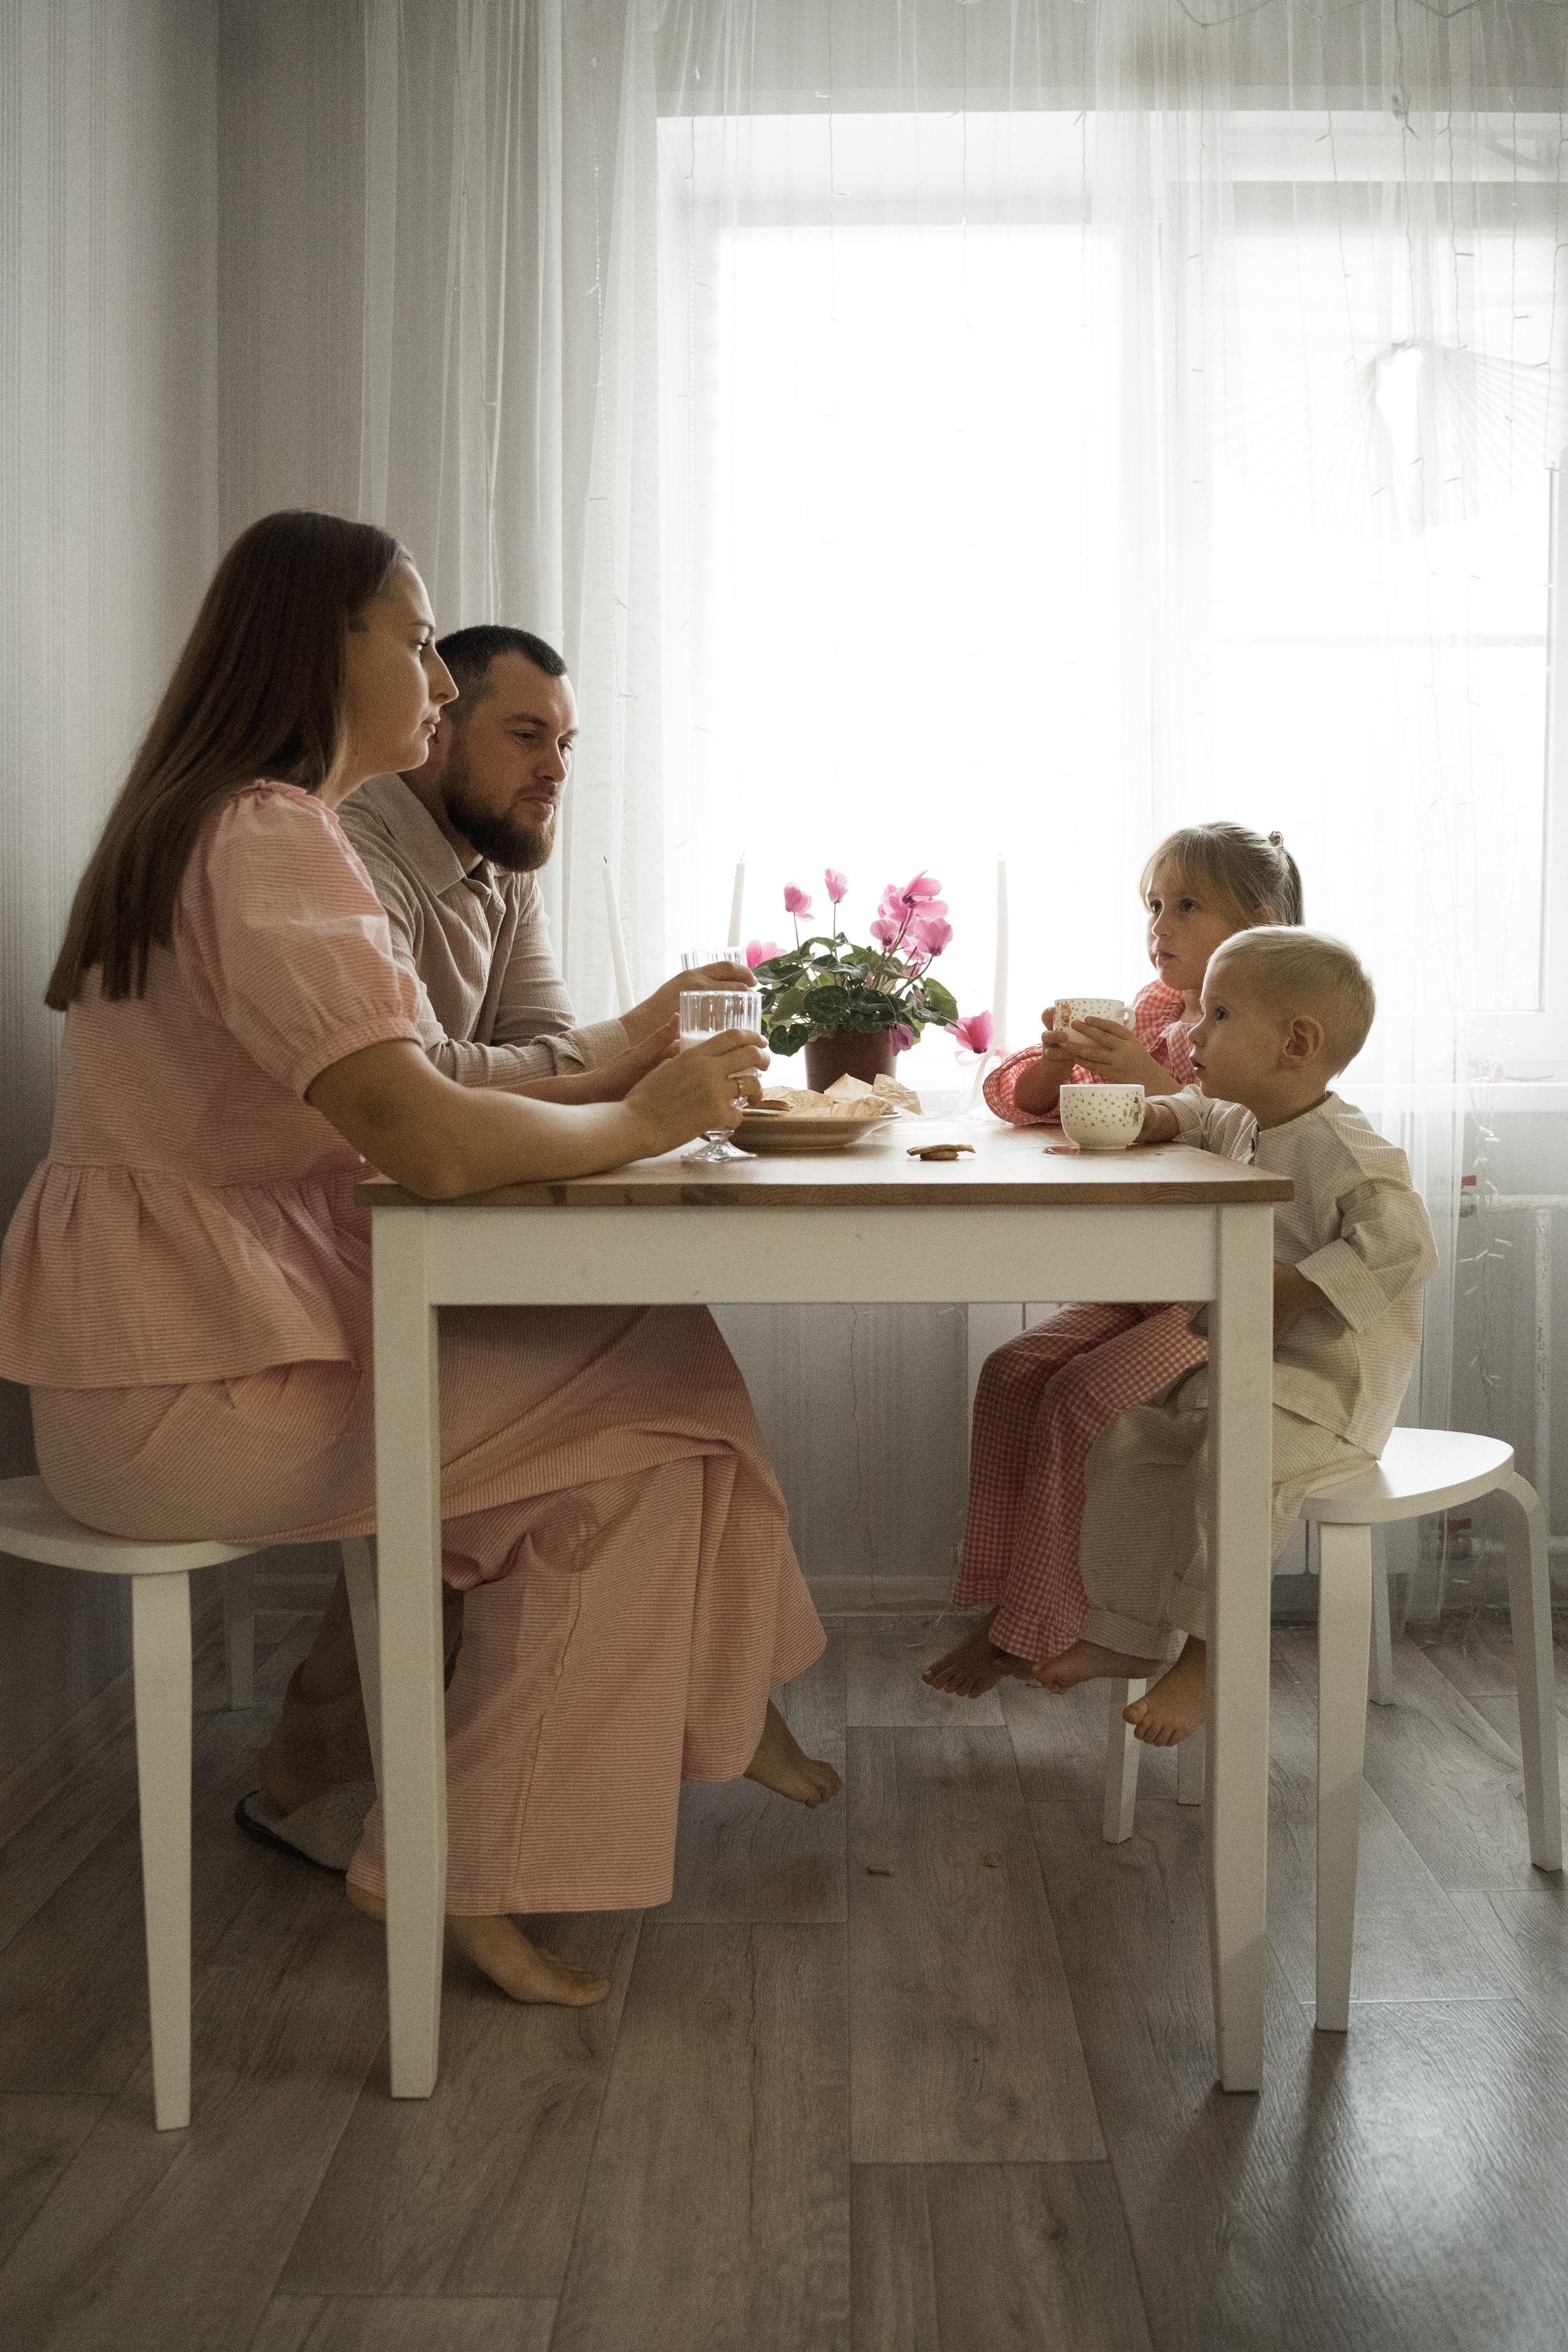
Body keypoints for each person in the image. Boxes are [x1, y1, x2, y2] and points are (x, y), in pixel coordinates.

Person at [0, 509, 839, 2011]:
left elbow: (432, 1102)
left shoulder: (226, 827)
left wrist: (628, 1089)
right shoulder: (268, 840)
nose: (434, 679)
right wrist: (643, 1112)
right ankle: (593, 1786)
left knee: (645, 1404)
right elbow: (435, 1145)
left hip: (175, 1363)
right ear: (322, 645)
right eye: (411, 636)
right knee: (655, 1408)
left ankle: (563, 1805)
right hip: (190, 1393)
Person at [258, 624, 755, 1826]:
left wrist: (622, 1067)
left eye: (567, 743)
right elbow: (424, 1087)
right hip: (335, 1233)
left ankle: (371, 1765)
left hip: (431, 1209)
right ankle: (470, 1789)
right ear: (435, 729)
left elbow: (540, 1058)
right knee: (636, 1387)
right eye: (526, 735)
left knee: (650, 1334)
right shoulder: (340, 856)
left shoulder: (505, 861)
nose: (555, 769)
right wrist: (631, 1058)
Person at [926, 822, 1304, 1696]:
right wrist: (1056, 1067)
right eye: (1152, 906)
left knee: (1079, 1397)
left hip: (1218, 1307)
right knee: (1015, 1370)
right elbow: (1015, 1099)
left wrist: (1141, 1075)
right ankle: (1006, 1601)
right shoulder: (1152, 1013)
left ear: (1257, 922)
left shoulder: (1268, 1031)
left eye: (1185, 905)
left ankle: (1043, 1628)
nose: (1159, 924)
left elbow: (1226, 1126)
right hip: (1146, 1289)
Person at [1036, 925, 1437, 1744]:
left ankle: (1212, 1656)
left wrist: (1298, 1289)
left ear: (1297, 1043)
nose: (1191, 1034)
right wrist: (1148, 1119)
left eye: (1218, 1015)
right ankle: (1124, 1630)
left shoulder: (1349, 1152)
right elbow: (1190, 1112)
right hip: (1250, 1376)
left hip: (1331, 1396)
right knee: (1131, 1440)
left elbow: (1406, 1248)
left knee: (1232, 1458)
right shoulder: (1241, 1118)